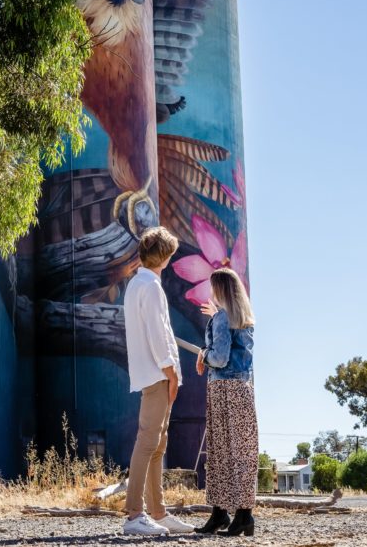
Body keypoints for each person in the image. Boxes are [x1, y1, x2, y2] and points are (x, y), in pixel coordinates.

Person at [122, 227, 194, 536]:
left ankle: (157, 512)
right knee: (148, 442)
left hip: (153, 374)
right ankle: (134, 515)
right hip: (157, 375)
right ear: (163, 257)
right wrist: (171, 372)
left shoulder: (137, 284)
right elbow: (158, 333)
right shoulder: (150, 287)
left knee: (156, 445)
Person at [195, 267, 258, 537]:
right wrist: (215, 319)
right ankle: (240, 515)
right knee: (242, 453)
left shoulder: (222, 318)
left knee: (220, 452)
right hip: (242, 390)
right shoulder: (243, 318)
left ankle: (223, 513)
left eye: (213, 288)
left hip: (223, 389)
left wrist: (203, 354)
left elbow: (219, 358)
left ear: (219, 290)